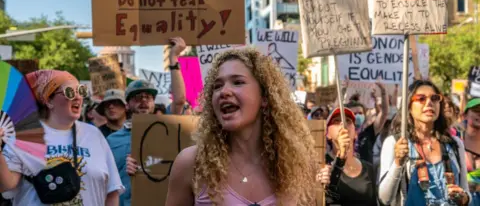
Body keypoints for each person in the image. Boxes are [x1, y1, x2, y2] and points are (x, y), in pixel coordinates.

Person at [165, 48, 318, 205]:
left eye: (238, 82)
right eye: (217, 86)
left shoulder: (297, 166)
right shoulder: (191, 164)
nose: (224, 91)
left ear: (265, 97)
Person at [0, 70, 123, 205]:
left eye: (81, 91)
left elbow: (111, 191)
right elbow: (7, 186)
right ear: (49, 101)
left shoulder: (94, 135)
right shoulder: (24, 136)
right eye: (70, 92)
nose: (78, 98)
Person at [107, 37, 187, 206]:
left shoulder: (166, 127)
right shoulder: (111, 141)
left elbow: (179, 100)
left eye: (148, 97)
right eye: (137, 97)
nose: (143, 100)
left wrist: (173, 58)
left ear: (153, 102)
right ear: (127, 105)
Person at [378, 80, 471, 206]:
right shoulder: (395, 143)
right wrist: (398, 163)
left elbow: (466, 191)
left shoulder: (455, 144)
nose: (429, 103)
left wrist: (464, 198)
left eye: (434, 98)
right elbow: (384, 199)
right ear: (409, 106)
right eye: (421, 98)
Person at [318, 108, 377, 206]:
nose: (343, 125)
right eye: (337, 121)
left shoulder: (369, 168)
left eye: (348, 121)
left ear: (355, 134)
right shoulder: (321, 164)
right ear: (327, 134)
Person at [350, 81, 389, 164]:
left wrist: (383, 91)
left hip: (367, 174)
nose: (357, 116)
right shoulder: (344, 131)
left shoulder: (369, 131)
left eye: (360, 113)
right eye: (354, 113)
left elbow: (384, 113)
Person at [463, 98, 480, 205]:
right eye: (475, 110)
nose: (479, 114)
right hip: (461, 198)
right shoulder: (454, 139)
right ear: (465, 115)